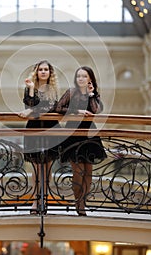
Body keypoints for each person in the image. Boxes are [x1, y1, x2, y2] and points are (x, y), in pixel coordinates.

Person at [55, 66, 107, 216]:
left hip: (89, 134)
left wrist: (91, 94)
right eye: (79, 76)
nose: (81, 79)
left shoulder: (93, 95)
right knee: (78, 171)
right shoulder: (71, 92)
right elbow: (59, 107)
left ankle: (82, 201)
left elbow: (96, 110)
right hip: (72, 133)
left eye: (84, 76)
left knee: (88, 172)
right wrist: (77, 111)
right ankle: (79, 203)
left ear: (90, 78)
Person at [18, 60, 61, 214]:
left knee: (48, 169)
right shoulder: (29, 88)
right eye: (40, 69)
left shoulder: (53, 89)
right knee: (36, 169)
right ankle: (36, 201)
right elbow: (29, 105)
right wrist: (30, 89)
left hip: (51, 131)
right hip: (34, 131)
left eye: (46, 69)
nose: (43, 72)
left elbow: (50, 107)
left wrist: (31, 112)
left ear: (50, 73)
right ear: (36, 72)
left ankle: (45, 198)